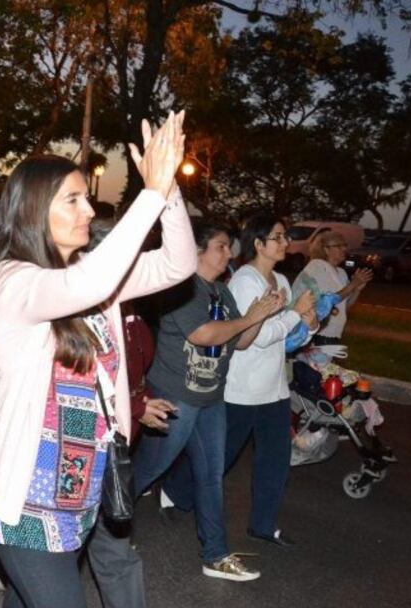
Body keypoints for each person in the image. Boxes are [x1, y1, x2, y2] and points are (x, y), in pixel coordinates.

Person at [0, 112, 195, 608]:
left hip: (82, 495)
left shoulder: (96, 278)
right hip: (27, 500)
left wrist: (169, 188)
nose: (88, 209)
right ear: (33, 210)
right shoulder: (13, 281)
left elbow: (180, 263)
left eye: (86, 198)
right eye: (72, 199)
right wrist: (148, 194)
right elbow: (82, 286)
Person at [130, 223, 284, 582]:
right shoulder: (181, 290)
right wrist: (250, 317)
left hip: (211, 399)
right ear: (197, 251)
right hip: (174, 399)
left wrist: (260, 316)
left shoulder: (222, 292)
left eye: (229, 248)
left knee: (211, 476)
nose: (229, 254)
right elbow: (202, 335)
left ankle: (215, 555)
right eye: (221, 247)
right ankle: (105, 529)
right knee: (147, 471)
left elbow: (240, 342)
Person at [166, 214, 317, 549]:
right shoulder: (246, 281)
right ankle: (175, 491)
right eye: (277, 237)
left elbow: (287, 337)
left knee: (276, 459)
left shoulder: (281, 280)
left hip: (275, 389)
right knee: (221, 457)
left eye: (285, 237)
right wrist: (294, 314)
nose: (285, 243)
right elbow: (258, 336)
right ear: (259, 244)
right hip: (242, 389)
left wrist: (309, 321)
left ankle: (263, 524)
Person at [295, 229, 372, 344]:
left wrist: (356, 289)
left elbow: (344, 306)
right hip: (317, 332)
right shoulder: (317, 267)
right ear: (326, 249)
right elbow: (328, 301)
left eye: (344, 245)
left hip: (333, 333)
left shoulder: (341, 273)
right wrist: (353, 284)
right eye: (338, 246)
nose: (344, 249)